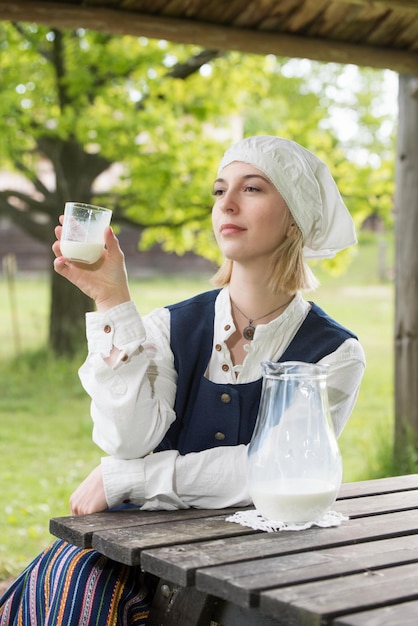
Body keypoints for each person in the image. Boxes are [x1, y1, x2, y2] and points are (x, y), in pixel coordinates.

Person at [0, 135, 365, 625]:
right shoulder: (170, 326)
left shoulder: (335, 353)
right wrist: (112, 301)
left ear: (296, 215)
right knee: (71, 581)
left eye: (252, 189)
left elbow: (275, 472)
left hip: (260, 553)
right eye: (219, 191)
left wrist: (127, 478)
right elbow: (128, 439)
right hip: (142, 541)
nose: (227, 204)